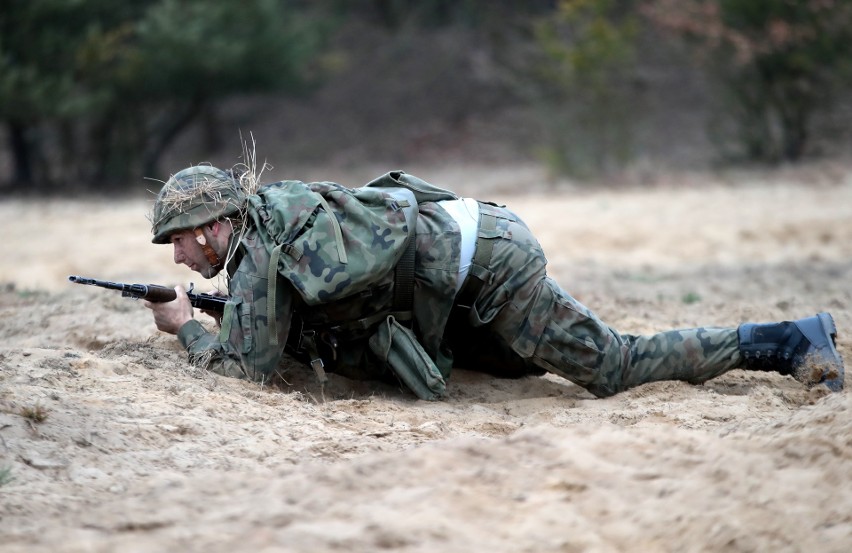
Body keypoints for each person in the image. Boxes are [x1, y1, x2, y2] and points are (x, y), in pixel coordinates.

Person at [145, 164, 845, 398]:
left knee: (611, 368)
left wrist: (187, 326)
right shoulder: (276, 219)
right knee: (512, 367)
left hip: (488, 266)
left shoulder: (263, 251)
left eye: (178, 239)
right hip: (467, 255)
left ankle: (786, 340)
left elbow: (244, 370)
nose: (177, 258)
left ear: (210, 225)